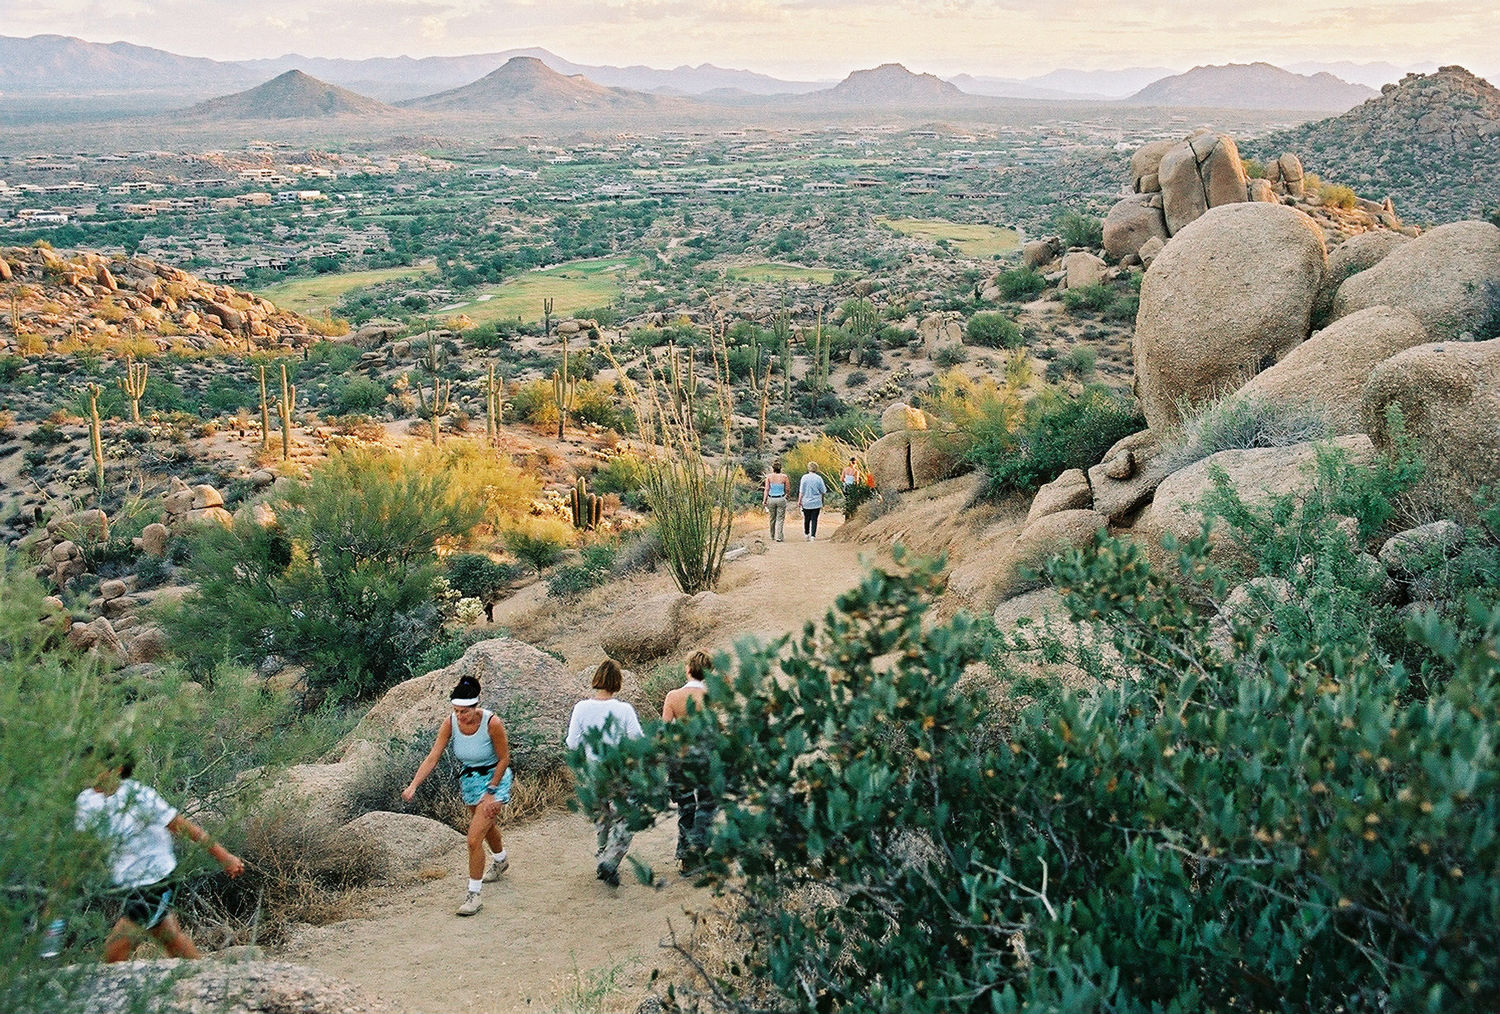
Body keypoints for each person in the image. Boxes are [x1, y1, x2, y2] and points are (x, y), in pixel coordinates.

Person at [74, 747, 245, 963]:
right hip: (129, 883)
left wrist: (225, 857)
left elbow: (184, 827)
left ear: (116, 769)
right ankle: (203, 977)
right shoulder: (86, 802)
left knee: (114, 952)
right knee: (170, 938)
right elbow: (85, 847)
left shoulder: (139, 795)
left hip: (157, 880)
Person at [403, 675, 512, 917]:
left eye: (464, 711)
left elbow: (504, 758)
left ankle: (474, 896)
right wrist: (414, 785)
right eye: (456, 710)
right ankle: (501, 860)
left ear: (476, 707)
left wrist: (492, 792)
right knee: (485, 826)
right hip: (470, 779)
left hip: (495, 777)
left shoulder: (492, 723)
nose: (460, 716)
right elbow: (433, 756)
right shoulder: (450, 723)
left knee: (473, 838)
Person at [565, 659, 644, 887]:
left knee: (601, 815)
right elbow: (637, 739)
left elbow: (572, 743)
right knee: (625, 816)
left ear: (596, 679)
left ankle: (602, 855)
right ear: (617, 682)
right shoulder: (624, 709)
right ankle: (610, 859)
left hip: (593, 767)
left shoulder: (581, 708)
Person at [662, 650, 718, 875]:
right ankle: (699, 851)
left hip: (681, 759)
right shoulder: (712, 696)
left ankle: (685, 857)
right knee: (707, 806)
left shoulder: (673, 696)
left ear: (688, 669)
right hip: (705, 758)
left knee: (686, 807)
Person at [762, 459, 791, 543]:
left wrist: (764, 500)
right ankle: (779, 536)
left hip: (771, 498)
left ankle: (772, 535)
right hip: (781, 498)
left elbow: (766, 489)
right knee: (780, 518)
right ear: (780, 468)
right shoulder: (784, 477)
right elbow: (787, 488)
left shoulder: (769, 477)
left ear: (773, 468)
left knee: (772, 518)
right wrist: (787, 495)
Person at [799, 460, 828, 542]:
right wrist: (822, 500)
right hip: (816, 502)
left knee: (806, 519)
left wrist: (799, 501)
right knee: (814, 519)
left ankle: (806, 533)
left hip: (806, 501)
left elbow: (801, 491)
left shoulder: (804, 477)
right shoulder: (819, 478)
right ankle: (813, 536)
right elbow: (823, 491)